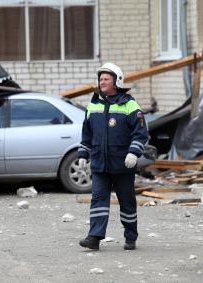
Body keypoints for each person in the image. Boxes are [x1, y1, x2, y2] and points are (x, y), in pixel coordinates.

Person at [78, 62, 148, 250]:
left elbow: (141, 132)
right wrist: (83, 153)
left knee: (127, 203)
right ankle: (94, 237)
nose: (102, 81)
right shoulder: (93, 105)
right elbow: (87, 133)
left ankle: (130, 236)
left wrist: (134, 152)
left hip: (123, 165)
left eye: (106, 78)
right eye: (100, 78)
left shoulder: (130, 104)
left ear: (117, 81)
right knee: (98, 201)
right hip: (100, 164)